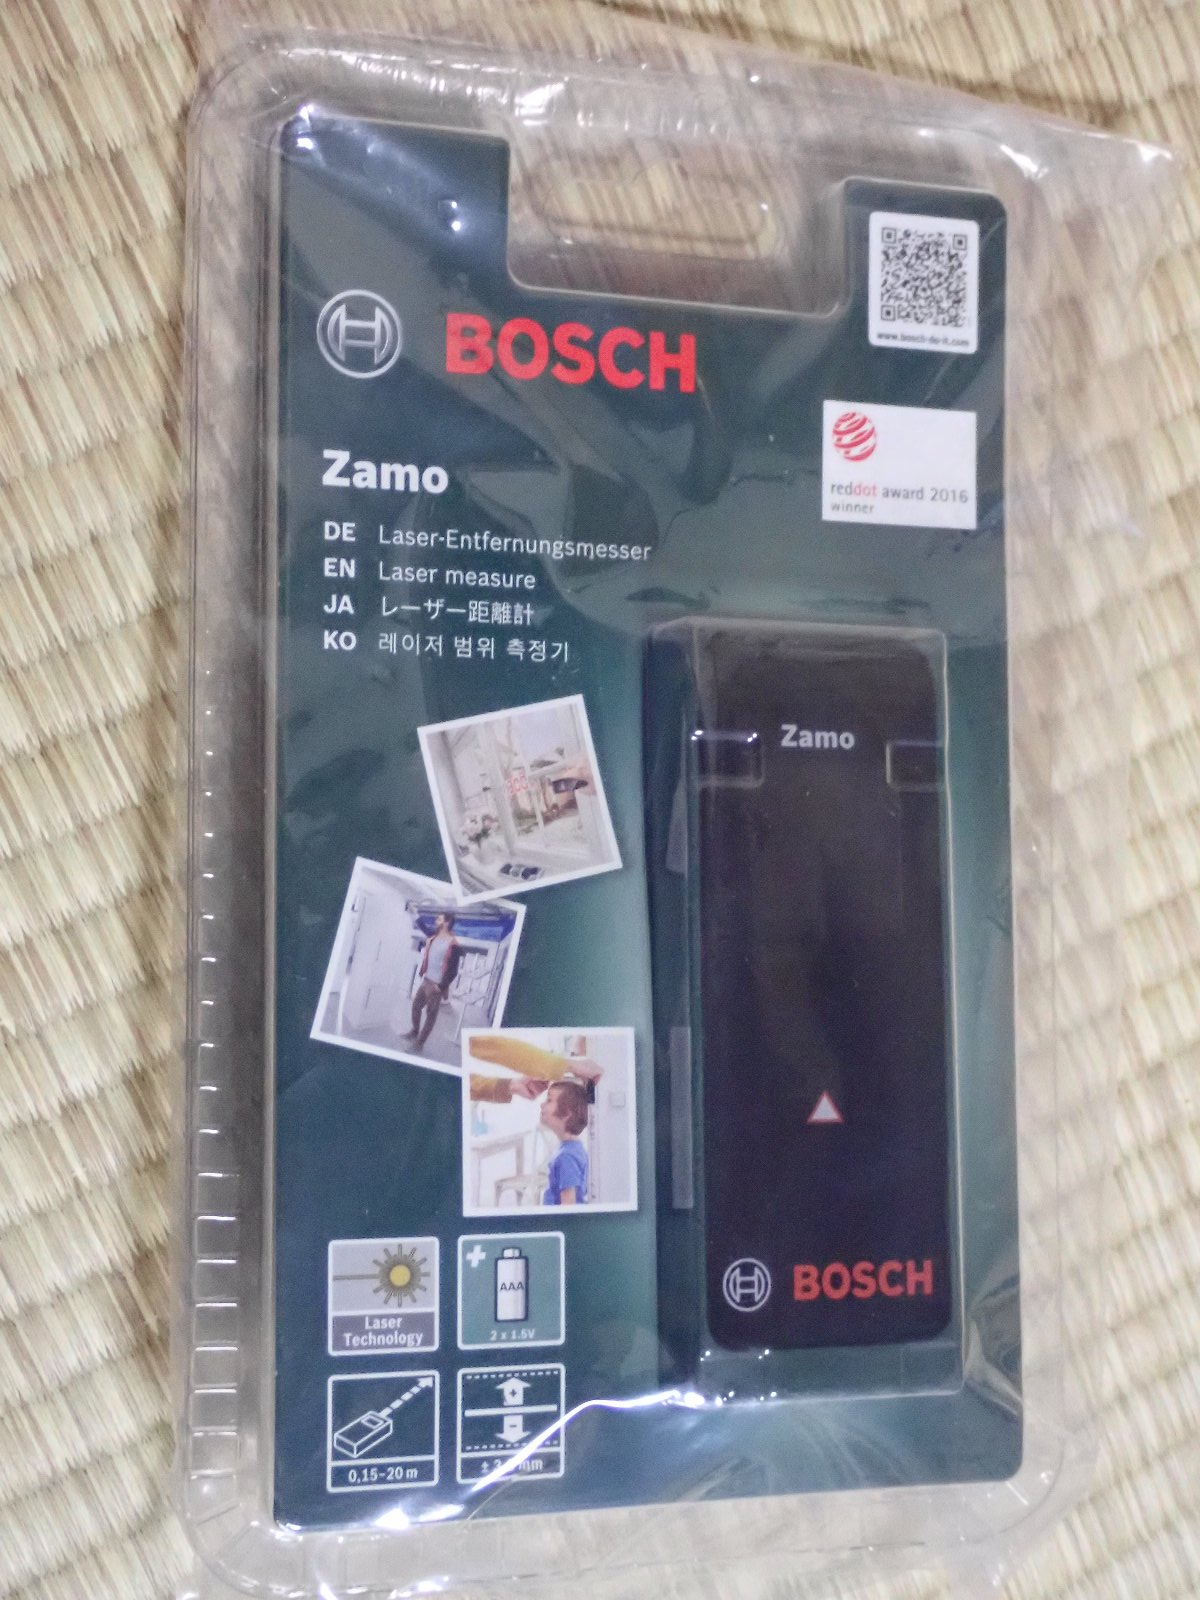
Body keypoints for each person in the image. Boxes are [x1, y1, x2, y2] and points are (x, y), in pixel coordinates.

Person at [403, 911, 461, 1051]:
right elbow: (423, 926)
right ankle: (414, 1031)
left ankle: (419, 1044)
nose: (436, 921)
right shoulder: (434, 936)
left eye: (439, 919)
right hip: (426, 980)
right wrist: (414, 912)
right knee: (416, 1006)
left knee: (430, 1015)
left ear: (446, 922)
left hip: (436, 985)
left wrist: (440, 987)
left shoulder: (454, 945)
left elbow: (453, 971)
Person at [540, 1080, 590, 1206]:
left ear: (566, 1113)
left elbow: (568, 1204)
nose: (541, 1105)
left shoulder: (566, 1157)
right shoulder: (574, 1148)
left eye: (549, 1100)